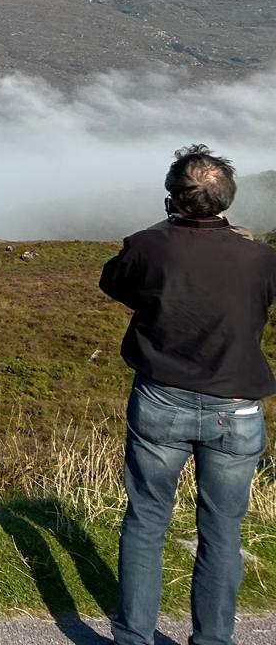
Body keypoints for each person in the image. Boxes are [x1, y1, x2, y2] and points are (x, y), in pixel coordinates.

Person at [100, 145, 276, 645]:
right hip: (235, 407)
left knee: (146, 519)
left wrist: (166, 235)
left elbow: (115, 283)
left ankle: (133, 637)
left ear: (172, 198)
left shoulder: (148, 246)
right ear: (227, 199)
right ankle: (213, 639)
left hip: (161, 399)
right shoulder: (263, 259)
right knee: (221, 529)